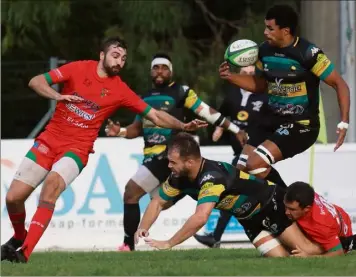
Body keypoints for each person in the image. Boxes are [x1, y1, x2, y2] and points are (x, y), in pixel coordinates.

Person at [1, 37, 206, 263]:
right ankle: (19, 237)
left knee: (52, 186)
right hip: (48, 141)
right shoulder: (78, 68)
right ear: (102, 55)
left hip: (77, 149)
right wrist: (57, 95)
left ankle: (24, 253)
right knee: (13, 198)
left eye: (124, 58)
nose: (120, 62)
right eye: (115, 56)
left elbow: (156, 115)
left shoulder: (120, 89)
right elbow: (36, 81)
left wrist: (183, 125)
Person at [104, 53, 248, 251]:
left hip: (169, 156)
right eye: (156, 67)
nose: (160, 71)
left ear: (171, 71)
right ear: (150, 71)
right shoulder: (143, 97)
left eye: (164, 67)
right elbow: (136, 129)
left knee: (131, 192)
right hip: (152, 157)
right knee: (159, 201)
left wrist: (235, 129)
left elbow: (208, 112)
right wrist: (119, 131)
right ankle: (185, 193)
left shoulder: (181, 92)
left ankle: (128, 245)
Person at [219, 5, 350, 185]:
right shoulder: (264, 51)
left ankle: (287, 203)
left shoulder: (307, 53)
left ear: (286, 31)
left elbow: (340, 84)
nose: (265, 32)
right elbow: (261, 85)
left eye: (270, 28)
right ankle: (264, 210)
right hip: (271, 120)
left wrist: (343, 122)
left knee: (254, 164)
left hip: (301, 126)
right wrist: (231, 76)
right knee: (240, 171)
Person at [134, 133, 323, 257]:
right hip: (248, 219)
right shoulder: (179, 176)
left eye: (173, 162)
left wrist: (169, 243)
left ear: (190, 162)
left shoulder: (212, 177)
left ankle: (340, 249)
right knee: (281, 260)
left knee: (303, 252)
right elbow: (157, 202)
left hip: (270, 205)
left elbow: (201, 217)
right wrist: (142, 227)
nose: (169, 166)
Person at [194, 65, 271, 248]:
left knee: (232, 188)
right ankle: (218, 237)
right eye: (245, 74)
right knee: (246, 193)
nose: (249, 77)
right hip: (239, 153)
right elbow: (222, 113)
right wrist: (220, 128)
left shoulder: (263, 96)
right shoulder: (232, 94)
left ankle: (216, 236)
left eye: (252, 74)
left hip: (256, 153)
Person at [284, 181, 356, 256]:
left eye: (292, 209)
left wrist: (307, 256)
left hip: (339, 232)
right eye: (286, 207)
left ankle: (348, 243)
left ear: (307, 208)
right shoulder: (305, 195)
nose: (286, 212)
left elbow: (338, 252)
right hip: (336, 216)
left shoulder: (321, 224)